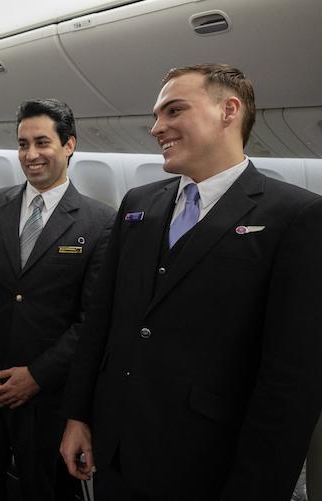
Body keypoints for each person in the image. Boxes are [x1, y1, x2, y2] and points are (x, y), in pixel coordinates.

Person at [59, 64, 322, 500]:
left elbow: (291, 380)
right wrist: (78, 415)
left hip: (207, 461)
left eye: (173, 111)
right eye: (157, 115)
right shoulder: (138, 203)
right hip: (117, 447)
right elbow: (101, 321)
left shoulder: (294, 215)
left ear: (229, 111)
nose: (156, 127)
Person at [0, 99, 114, 500]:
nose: (31, 155)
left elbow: (92, 318)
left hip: (50, 394)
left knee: (45, 489)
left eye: (42, 142)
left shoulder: (100, 222)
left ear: (69, 145)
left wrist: (38, 375)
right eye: (23, 144)